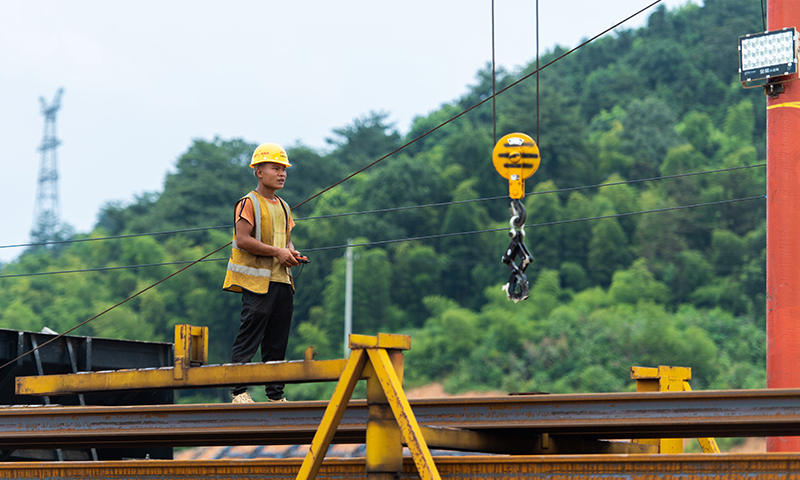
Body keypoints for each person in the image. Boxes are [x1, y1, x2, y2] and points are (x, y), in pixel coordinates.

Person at [222, 143, 300, 403]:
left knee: (278, 339)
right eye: (275, 168)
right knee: (251, 332)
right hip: (256, 281)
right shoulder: (248, 203)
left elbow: (286, 241)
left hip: (281, 279)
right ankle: (238, 391)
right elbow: (243, 240)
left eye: (284, 169)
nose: (282, 174)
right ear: (258, 171)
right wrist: (278, 253)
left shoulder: (284, 206)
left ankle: (275, 395)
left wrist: (291, 253)